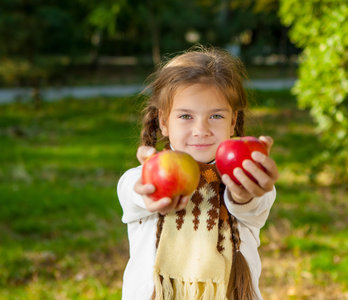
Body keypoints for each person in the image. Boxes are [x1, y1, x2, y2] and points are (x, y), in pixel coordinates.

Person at [117, 46, 278, 300]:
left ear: (232, 121)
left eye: (215, 115)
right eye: (185, 116)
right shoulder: (143, 178)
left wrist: (243, 192)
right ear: (163, 121)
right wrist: (150, 188)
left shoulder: (245, 178)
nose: (201, 129)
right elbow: (131, 190)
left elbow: (253, 204)